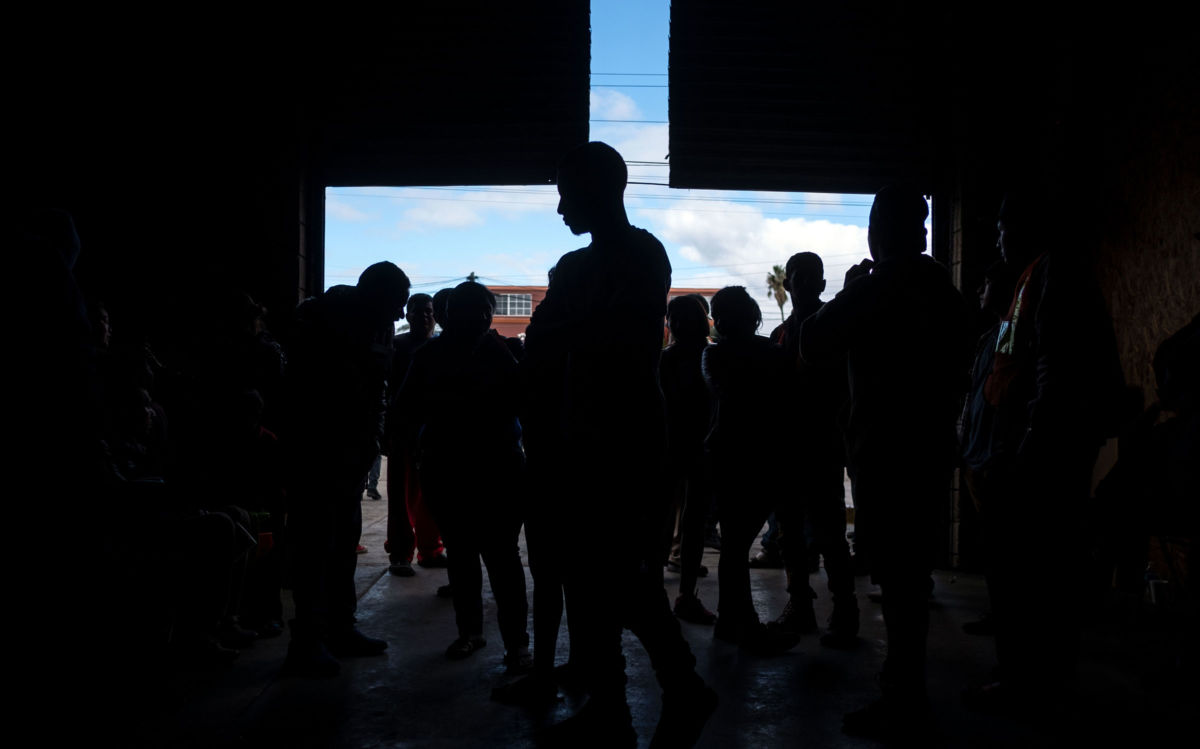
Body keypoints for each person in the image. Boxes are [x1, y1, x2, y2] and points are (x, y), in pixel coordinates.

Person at [527, 142, 716, 748]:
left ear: (599, 190)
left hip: (623, 442)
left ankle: (637, 697)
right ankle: (658, 689)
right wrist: (574, 327)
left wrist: (569, 327)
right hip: (587, 438)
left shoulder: (635, 255)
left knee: (612, 575)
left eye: (565, 192)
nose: (560, 208)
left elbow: (600, 338)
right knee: (595, 576)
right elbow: (544, 342)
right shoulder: (592, 265)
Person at [800, 185, 969, 739]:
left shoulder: (879, 285)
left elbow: (815, 343)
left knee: (898, 580)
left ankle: (902, 698)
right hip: (929, 444)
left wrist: (851, 291)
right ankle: (907, 688)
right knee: (910, 576)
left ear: (882, 231)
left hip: (883, 450)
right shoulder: (940, 285)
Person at [964, 192, 1124, 712]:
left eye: (1005, 228)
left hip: (1041, 453)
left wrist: (1031, 444)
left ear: (1027, 230)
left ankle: (1030, 680)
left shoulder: (1053, 277)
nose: (998, 239)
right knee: (1031, 571)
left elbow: (1057, 369)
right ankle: (1032, 674)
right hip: (1037, 446)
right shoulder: (1034, 279)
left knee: (1029, 574)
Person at [282, 261, 410, 677]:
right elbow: (310, 394)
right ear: (373, 294)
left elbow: (378, 388)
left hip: (353, 453)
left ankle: (339, 628)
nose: (400, 316)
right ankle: (307, 640)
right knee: (315, 546)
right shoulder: (321, 323)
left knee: (342, 544)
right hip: (317, 452)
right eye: (396, 304)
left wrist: (373, 440)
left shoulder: (375, 324)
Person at [396, 281, 531, 668]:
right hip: (472, 469)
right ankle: (502, 641)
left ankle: (498, 639)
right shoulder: (496, 354)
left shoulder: (494, 354)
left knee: (485, 557)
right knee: (484, 558)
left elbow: (405, 411)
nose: (479, 319)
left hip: (480, 470)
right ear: (450, 315)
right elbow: (406, 411)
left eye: (483, 312)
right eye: (472, 312)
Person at [702, 286, 800, 655]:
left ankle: (733, 622)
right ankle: (742, 624)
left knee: (734, 543)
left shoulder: (715, 356)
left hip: (730, 456)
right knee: (738, 544)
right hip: (763, 456)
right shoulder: (772, 353)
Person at [769, 252, 859, 648]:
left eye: (811, 278)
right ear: (788, 284)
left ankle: (840, 609)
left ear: (822, 285)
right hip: (796, 445)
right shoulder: (787, 334)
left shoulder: (820, 331)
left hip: (820, 445)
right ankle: (811, 606)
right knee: (794, 531)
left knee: (828, 532)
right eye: (798, 277)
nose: (804, 284)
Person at [660, 295, 716, 625]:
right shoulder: (712, 357)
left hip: (671, 451)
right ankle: (686, 595)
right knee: (691, 525)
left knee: (667, 525)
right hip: (700, 451)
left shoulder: (665, 360)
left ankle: (661, 593)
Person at [384, 293, 446, 577]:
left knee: (432, 495)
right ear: (407, 316)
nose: (423, 317)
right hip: (404, 432)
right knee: (400, 497)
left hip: (433, 433)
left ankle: (430, 549)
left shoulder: (437, 347)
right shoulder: (396, 346)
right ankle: (401, 553)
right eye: (417, 311)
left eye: (428, 312)